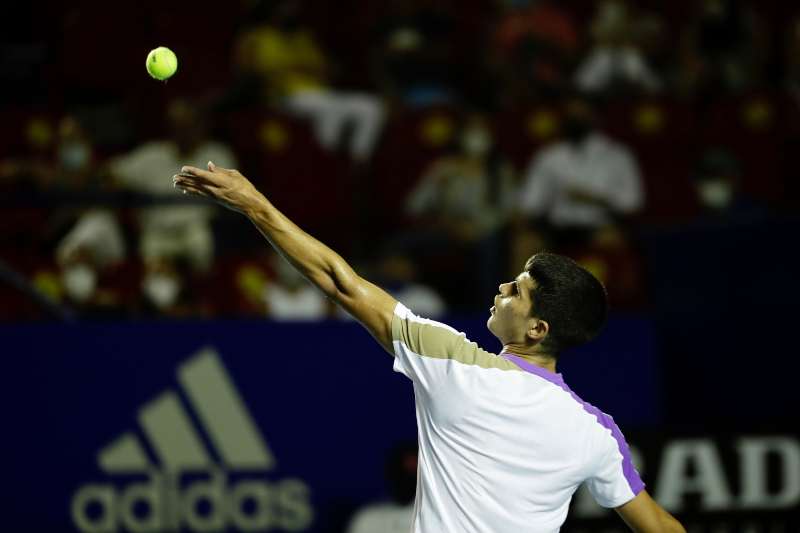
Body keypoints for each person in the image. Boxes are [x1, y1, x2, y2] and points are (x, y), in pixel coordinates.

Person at [172, 162, 685, 532]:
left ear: (538, 329)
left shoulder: (455, 364)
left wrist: (253, 204)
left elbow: (339, 282)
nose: (502, 291)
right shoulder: (596, 431)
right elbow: (660, 528)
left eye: (516, 291)